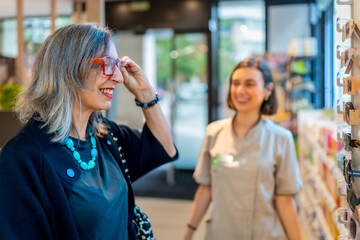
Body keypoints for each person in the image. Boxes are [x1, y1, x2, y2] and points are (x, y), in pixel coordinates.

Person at [0, 23, 178, 240]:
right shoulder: (23, 156)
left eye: (117, 66)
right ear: (69, 68)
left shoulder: (105, 136)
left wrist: (145, 93)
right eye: (107, 64)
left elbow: (164, 149)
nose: (119, 78)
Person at [184, 58, 302, 240]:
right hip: (221, 233)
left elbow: (285, 199)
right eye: (235, 83)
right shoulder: (214, 132)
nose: (240, 91)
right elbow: (206, 188)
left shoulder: (281, 138)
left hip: (265, 234)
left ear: (267, 90)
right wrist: (188, 232)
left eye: (250, 84)